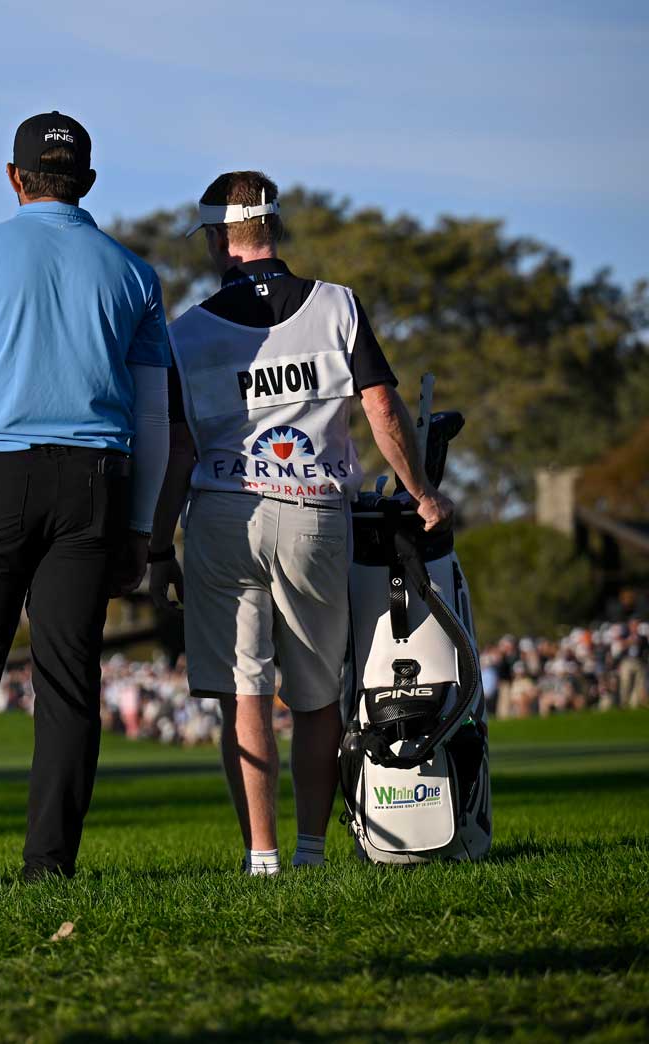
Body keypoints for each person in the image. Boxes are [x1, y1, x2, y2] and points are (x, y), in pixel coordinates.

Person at [147, 171, 456, 875]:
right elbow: (380, 410)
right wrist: (424, 492)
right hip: (317, 511)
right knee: (316, 700)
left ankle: (262, 857)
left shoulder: (185, 333)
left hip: (224, 515)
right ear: (273, 227)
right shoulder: (337, 305)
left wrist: (159, 542)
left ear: (219, 239)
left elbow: (181, 449)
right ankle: (312, 853)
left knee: (244, 696)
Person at [0, 111, 172, 883]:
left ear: (15, 178)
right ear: (86, 181)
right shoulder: (133, 273)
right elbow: (152, 414)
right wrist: (143, 528)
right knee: (67, 682)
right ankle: (48, 866)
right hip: (93, 486)